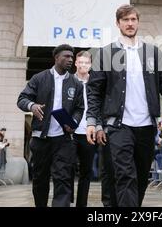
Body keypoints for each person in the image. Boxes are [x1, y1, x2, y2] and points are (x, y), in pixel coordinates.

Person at [86, 4, 162, 207]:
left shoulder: (153, 53)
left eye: (133, 19)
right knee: (125, 175)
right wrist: (93, 122)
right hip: (118, 126)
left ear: (138, 22)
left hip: (146, 125)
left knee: (140, 177)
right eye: (125, 20)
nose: (130, 24)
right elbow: (94, 91)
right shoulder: (106, 53)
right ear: (118, 23)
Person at [17, 44, 84, 207]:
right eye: (66, 56)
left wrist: (73, 123)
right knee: (40, 179)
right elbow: (22, 99)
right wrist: (32, 106)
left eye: (71, 57)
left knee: (63, 178)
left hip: (63, 139)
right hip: (41, 138)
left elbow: (79, 108)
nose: (70, 59)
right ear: (56, 58)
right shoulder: (39, 78)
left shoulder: (76, 83)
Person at [71, 50, 97, 207]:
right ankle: (67, 200)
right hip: (71, 132)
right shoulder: (68, 81)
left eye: (86, 63)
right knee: (67, 169)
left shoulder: (95, 82)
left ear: (90, 65)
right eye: (80, 62)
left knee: (86, 172)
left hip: (89, 132)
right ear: (75, 63)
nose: (83, 65)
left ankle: (82, 204)